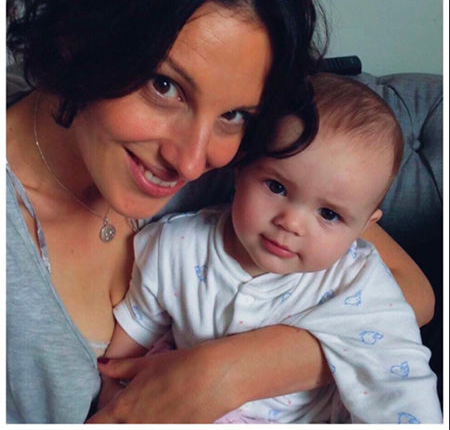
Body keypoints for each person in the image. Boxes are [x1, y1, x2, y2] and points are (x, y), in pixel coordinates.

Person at [6, 0, 435, 424]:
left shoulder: (253, 167)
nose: (192, 163)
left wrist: (229, 373)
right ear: (79, 36)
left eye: (234, 115)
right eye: (165, 86)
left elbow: (412, 294)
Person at [100, 73, 442, 423]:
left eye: (328, 214)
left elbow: (402, 387)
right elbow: (127, 348)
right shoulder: (173, 247)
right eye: (276, 187)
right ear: (240, 169)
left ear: (363, 227)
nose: (290, 223)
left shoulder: (357, 283)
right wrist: (113, 404)